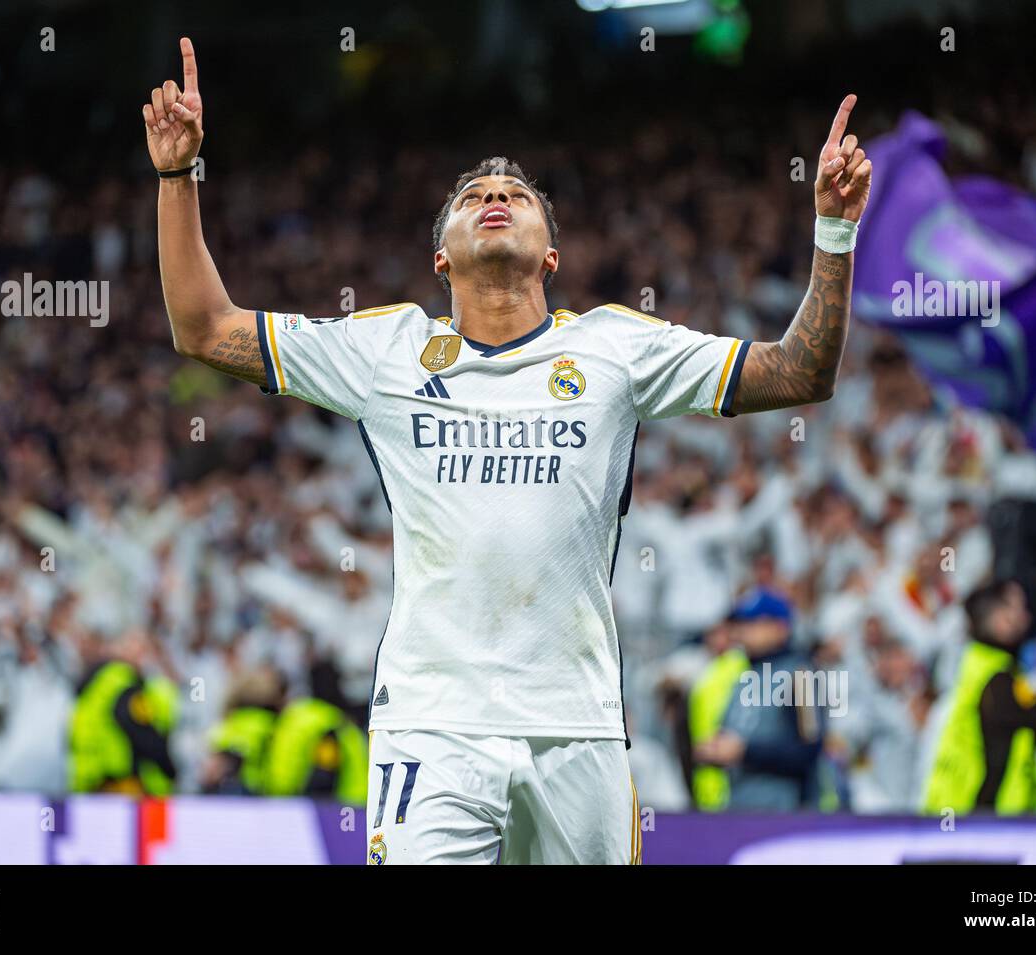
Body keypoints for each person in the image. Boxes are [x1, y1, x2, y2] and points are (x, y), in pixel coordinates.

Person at [143, 37, 871, 863]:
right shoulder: (387, 351)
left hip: (579, 726)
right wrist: (177, 178)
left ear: (551, 257)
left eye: (516, 193)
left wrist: (834, 232)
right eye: (474, 194)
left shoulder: (614, 350)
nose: (495, 195)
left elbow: (800, 372)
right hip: (432, 722)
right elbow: (203, 328)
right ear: (440, 256)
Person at [922, 580, 1036, 815]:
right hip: (978, 818)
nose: (1026, 617)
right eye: (1018, 608)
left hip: (959, 814)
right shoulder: (999, 681)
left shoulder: (977, 668)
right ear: (1000, 619)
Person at [695, 590, 824, 810]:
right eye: (742, 624)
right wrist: (716, 750)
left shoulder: (800, 674)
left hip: (785, 812)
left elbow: (808, 750)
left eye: (754, 623)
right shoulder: (743, 674)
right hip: (738, 807)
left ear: (780, 628)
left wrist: (745, 752)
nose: (742, 631)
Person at [68, 657, 179, 796]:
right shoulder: (124, 683)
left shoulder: (95, 686)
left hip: (88, 779)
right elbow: (140, 732)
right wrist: (170, 769)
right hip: (119, 782)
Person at [686, 620, 749, 811]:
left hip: (728, 765)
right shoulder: (710, 666)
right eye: (711, 633)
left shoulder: (740, 664)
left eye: (719, 633)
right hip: (706, 763)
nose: (713, 639)